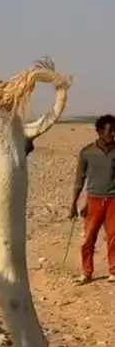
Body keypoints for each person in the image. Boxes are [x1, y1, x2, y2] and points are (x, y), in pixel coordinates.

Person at [69, 114, 115, 284]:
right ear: (100, 132)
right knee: (89, 238)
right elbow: (79, 180)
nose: (113, 135)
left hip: (113, 200)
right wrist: (74, 205)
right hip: (94, 200)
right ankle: (86, 272)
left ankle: (113, 271)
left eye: (114, 131)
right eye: (110, 131)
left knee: (113, 236)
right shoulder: (87, 152)